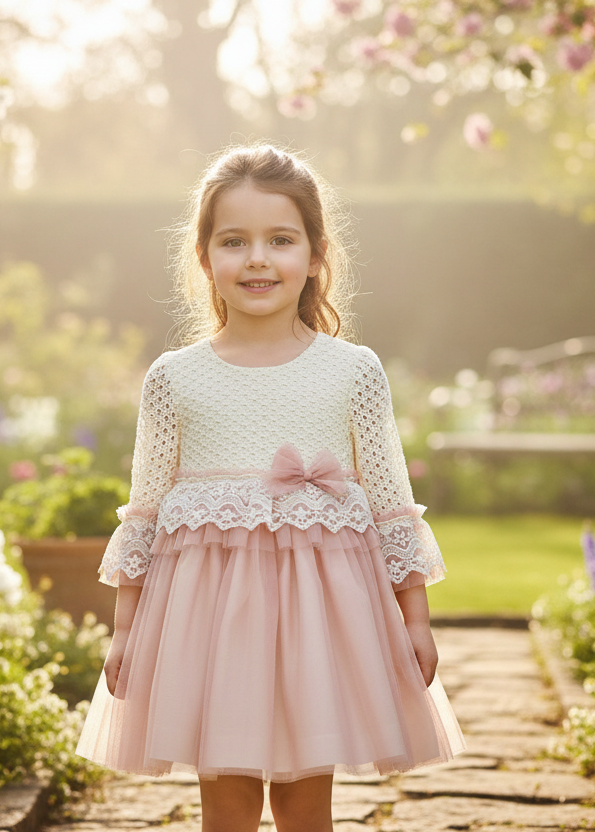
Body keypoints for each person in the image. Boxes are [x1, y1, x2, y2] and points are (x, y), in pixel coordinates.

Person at [76, 143, 465, 832]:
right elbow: (142, 511)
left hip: (317, 615)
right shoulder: (174, 378)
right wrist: (126, 630)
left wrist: (414, 617)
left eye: (279, 240)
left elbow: (389, 502)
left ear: (316, 255)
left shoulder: (351, 371)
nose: (257, 258)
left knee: (302, 797)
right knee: (224, 796)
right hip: (206, 615)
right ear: (204, 260)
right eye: (234, 241)